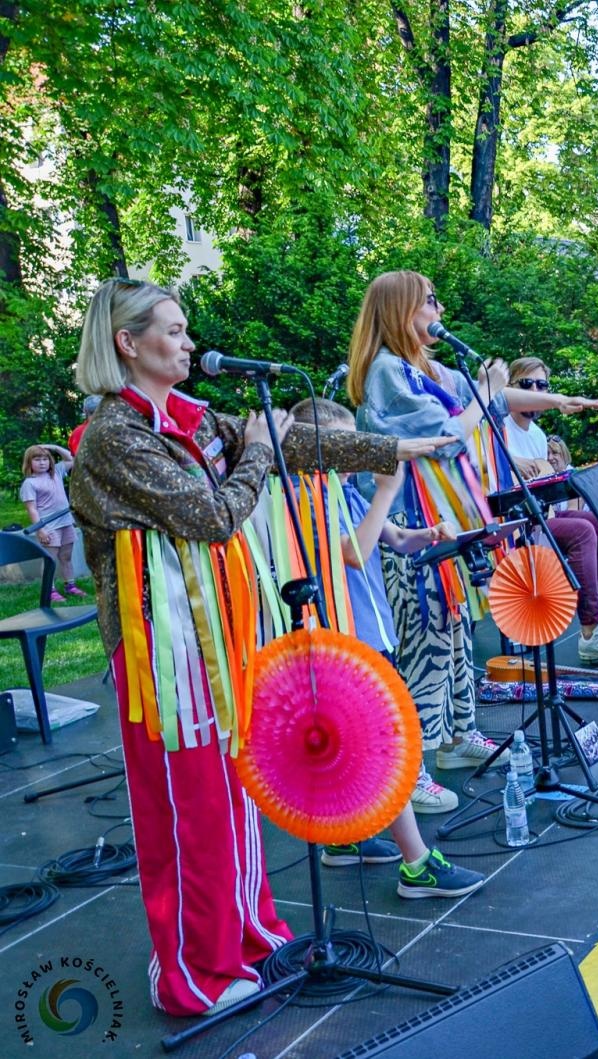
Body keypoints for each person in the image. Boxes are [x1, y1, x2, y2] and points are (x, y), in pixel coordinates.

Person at [67, 278, 446, 1016]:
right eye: (173, 331)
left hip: (213, 637)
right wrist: (258, 458)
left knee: (230, 802)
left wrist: (388, 445)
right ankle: (193, 972)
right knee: (187, 810)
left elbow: (287, 438)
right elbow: (213, 515)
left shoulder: (185, 415)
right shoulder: (116, 436)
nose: (186, 341)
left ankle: (246, 934)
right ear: (128, 342)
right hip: (161, 657)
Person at [346, 270, 598, 811]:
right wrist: (484, 392)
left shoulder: (428, 368)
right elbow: (444, 439)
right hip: (409, 531)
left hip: (447, 521)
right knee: (426, 643)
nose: (439, 308)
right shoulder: (387, 373)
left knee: (457, 635)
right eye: (429, 301)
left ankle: (458, 737)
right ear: (400, 310)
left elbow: (490, 400)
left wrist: (558, 402)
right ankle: (407, 768)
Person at [287, 398, 487, 899]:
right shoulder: (306, 494)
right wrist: (388, 491)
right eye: (346, 440)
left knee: (349, 748)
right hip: (344, 636)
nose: (360, 448)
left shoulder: (346, 489)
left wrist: (427, 534)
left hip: (372, 630)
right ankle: (417, 864)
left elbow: (392, 539)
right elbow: (353, 553)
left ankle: (343, 838)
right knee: (387, 747)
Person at [503, 357, 598, 661]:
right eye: (526, 384)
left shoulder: (539, 436)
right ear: (511, 387)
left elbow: (545, 488)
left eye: (541, 385)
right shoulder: (497, 427)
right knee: (582, 531)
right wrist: (510, 462)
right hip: (514, 523)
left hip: (543, 516)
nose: (535, 390)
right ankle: (590, 629)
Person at [19, 442, 84, 600]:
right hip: (49, 526)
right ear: (29, 463)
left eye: (45, 459)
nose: (42, 462)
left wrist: (53, 448)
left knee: (66, 557)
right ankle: (49, 589)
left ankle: (70, 585)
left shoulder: (57, 473)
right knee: (50, 559)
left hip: (66, 522)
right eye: (37, 459)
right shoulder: (29, 483)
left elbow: (72, 460)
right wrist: (40, 529)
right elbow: (32, 509)